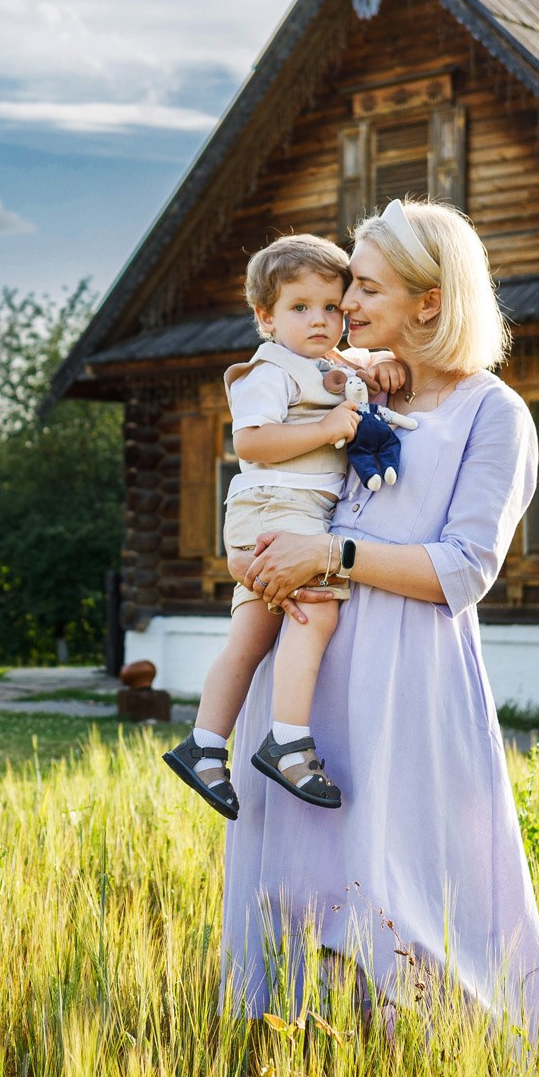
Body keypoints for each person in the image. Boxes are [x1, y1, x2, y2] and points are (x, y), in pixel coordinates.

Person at [221, 197, 539, 1040]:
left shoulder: (494, 414)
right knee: (295, 888)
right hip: (305, 673)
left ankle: (450, 1067)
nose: (345, 308)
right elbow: (270, 473)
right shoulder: (351, 388)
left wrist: (328, 557)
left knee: (412, 882)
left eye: (363, 289)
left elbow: (463, 569)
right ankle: (290, 1064)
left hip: (409, 681)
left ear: (429, 302)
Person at [161, 233, 380, 818]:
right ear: (266, 316)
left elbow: (373, 370)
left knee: (252, 634)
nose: (320, 320)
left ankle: (204, 746)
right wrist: (329, 428)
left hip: (276, 511)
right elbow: (250, 441)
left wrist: (381, 369)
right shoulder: (268, 370)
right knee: (318, 607)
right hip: (276, 506)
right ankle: (287, 739)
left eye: (332, 307)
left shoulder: (327, 365)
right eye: (300, 308)